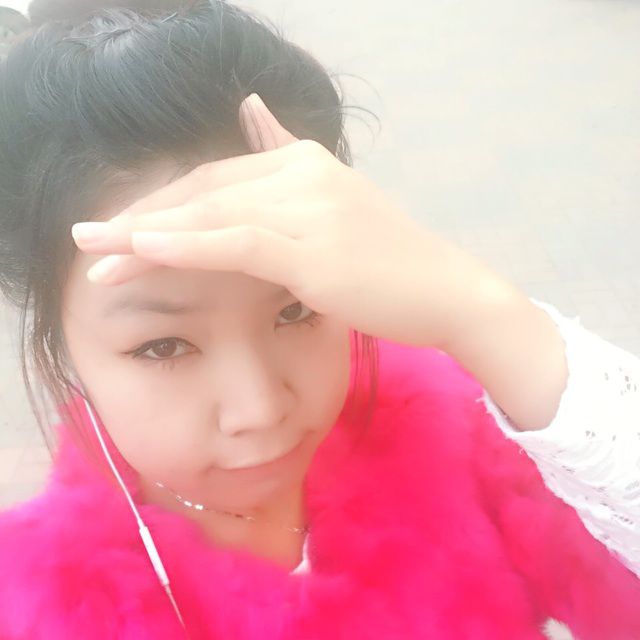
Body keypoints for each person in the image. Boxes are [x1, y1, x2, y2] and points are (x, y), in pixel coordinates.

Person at [0, 1, 637, 638]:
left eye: (296, 308)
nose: (259, 409)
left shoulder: (469, 426)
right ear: (62, 340)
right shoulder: (43, 605)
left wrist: (483, 313)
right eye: (164, 345)